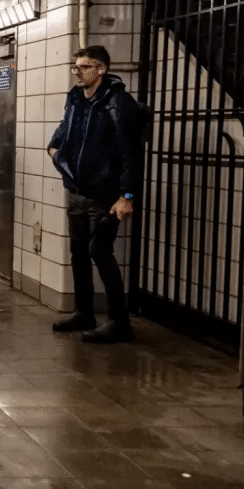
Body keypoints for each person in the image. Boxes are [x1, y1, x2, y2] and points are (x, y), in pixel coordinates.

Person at [47, 45, 142, 343]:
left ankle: (119, 321)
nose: (78, 71)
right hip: (76, 189)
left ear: (101, 69)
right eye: (76, 66)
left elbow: (131, 153)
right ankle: (83, 311)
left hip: (106, 193)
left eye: (84, 66)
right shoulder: (75, 98)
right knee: (77, 251)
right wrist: (54, 147)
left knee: (100, 251)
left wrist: (126, 196)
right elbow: (66, 128)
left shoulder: (118, 103)